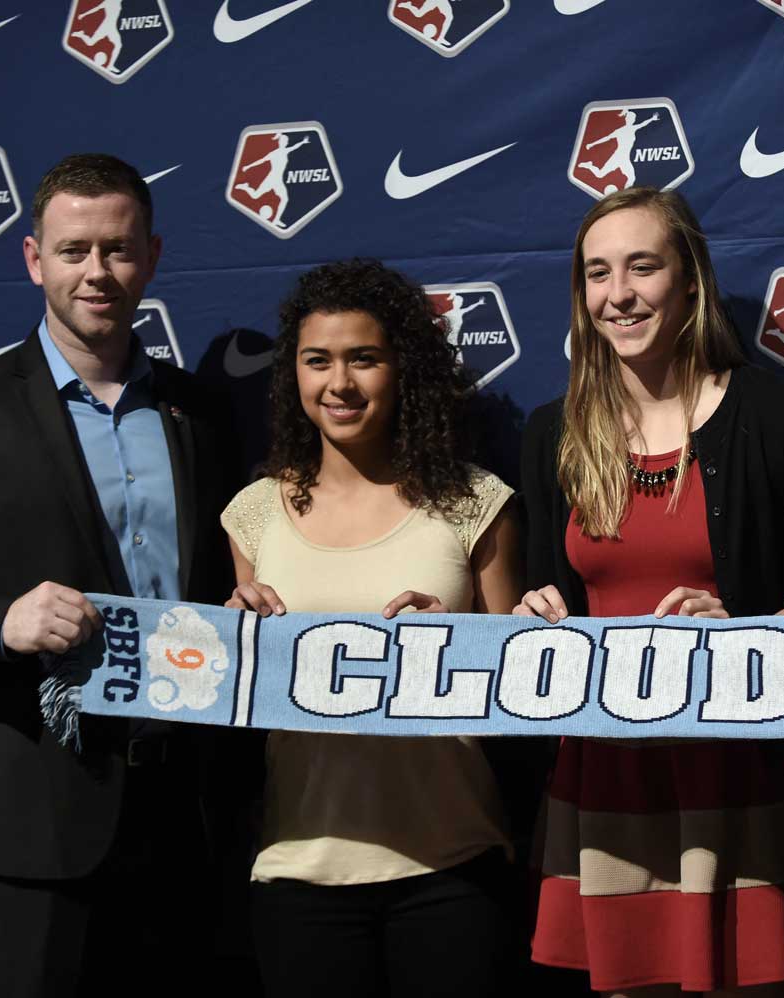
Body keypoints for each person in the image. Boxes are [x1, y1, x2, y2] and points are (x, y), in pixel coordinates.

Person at [0, 154, 240, 997]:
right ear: (33, 259)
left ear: (153, 257)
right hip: (36, 811)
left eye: (119, 249)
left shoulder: (202, 412)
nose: (98, 272)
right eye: (74, 250)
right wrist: (0, 623)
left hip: (188, 811)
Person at [518, 186, 784, 998]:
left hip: (744, 777)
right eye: (597, 274)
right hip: (606, 780)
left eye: (642, 267)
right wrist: (532, 616)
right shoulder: (553, 434)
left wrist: (740, 626)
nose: (619, 294)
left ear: (691, 279)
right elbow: (543, 600)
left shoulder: (780, 419)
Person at [219, 259, 526, 998]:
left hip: (453, 867)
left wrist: (458, 643)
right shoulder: (253, 513)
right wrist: (227, 651)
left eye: (365, 358)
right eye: (317, 360)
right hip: (298, 870)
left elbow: (523, 699)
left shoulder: (478, 503)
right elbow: (232, 705)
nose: (340, 384)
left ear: (403, 367)